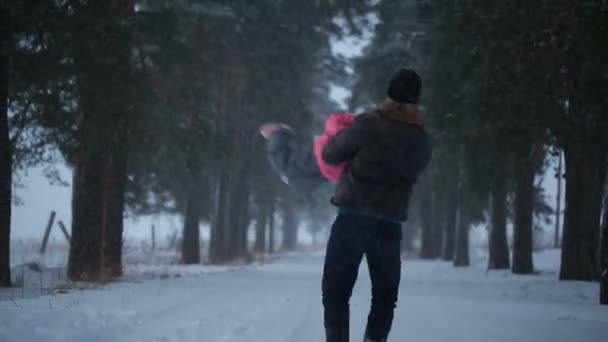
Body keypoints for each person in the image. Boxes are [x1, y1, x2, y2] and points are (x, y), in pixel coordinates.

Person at [321, 68, 432, 342]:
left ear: (389, 94)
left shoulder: (368, 124)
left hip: (353, 219)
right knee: (384, 298)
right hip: (389, 226)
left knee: (335, 292)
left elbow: (331, 154)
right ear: (416, 101)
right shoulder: (421, 140)